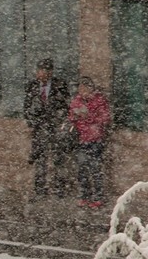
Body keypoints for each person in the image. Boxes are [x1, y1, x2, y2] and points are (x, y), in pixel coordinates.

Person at [23, 58, 70, 199]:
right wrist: (31, 123)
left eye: (44, 71)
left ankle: (59, 189)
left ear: (50, 73)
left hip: (55, 127)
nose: (41, 75)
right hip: (39, 128)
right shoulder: (31, 85)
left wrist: (58, 122)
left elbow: (65, 106)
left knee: (58, 158)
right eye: (39, 71)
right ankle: (40, 190)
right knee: (40, 159)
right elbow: (26, 106)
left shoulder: (60, 85)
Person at [68, 76, 111, 209]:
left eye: (84, 88)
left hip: (95, 139)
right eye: (80, 88)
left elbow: (105, 118)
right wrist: (75, 117)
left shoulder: (99, 100)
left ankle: (98, 197)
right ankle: (84, 195)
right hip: (81, 139)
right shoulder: (77, 101)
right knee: (82, 169)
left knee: (95, 168)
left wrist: (88, 117)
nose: (82, 91)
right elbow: (71, 116)